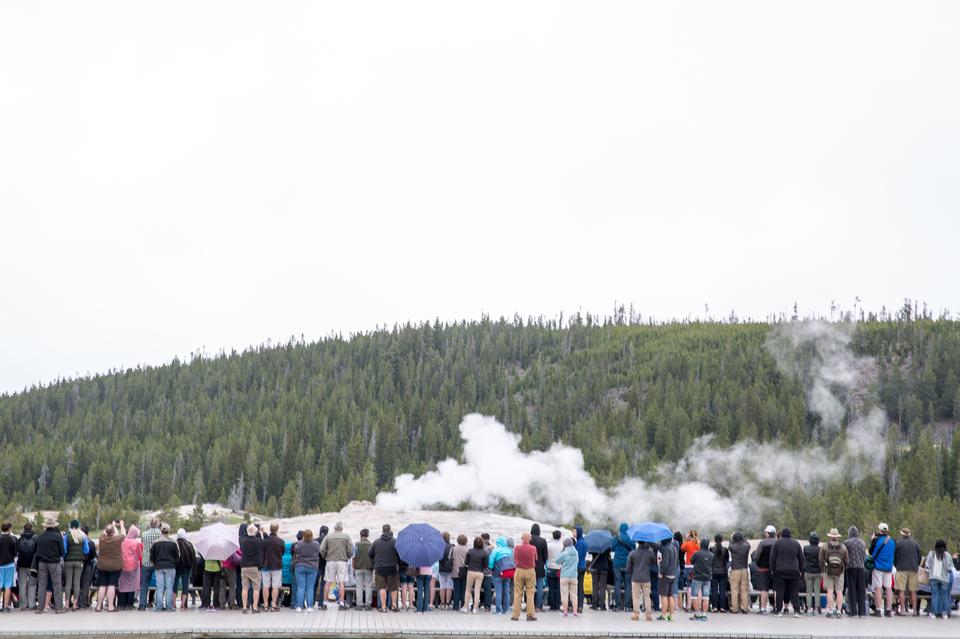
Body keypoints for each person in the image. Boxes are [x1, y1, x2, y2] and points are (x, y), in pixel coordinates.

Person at [769, 527, 803, 617]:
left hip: (779, 571)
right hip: (794, 571)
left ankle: (779, 611)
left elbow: (772, 558)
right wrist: (801, 569)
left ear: (782, 534)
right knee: (794, 592)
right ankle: (797, 611)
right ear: (790, 534)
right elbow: (801, 558)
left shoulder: (777, 543)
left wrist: (772, 569)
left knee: (779, 591)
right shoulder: (796, 543)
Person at [35, 515, 65, 614]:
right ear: (54, 526)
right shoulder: (58, 537)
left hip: (42, 563)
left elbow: (37, 551)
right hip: (54, 563)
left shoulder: (40, 537)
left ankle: (40, 608)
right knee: (57, 585)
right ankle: (59, 608)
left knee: (42, 585)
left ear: (45, 526)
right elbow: (62, 552)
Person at [319, 521, 352, 609]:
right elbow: (350, 550)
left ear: (334, 528)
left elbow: (322, 549)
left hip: (330, 561)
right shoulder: (346, 537)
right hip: (342, 561)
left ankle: (324, 603)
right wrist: (348, 556)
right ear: (342, 528)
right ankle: (341, 603)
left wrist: (325, 556)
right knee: (341, 582)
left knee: (328, 581)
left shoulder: (328, 537)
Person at [369, 524, 400, 612]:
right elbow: (399, 555)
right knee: (393, 587)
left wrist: (375, 562)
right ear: (390, 531)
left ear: (382, 531)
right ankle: (394, 605)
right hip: (392, 567)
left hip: (379, 567)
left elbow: (370, 553)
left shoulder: (376, 542)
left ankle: (383, 607)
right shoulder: (395, 542)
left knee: (382, 587)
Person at [150, 523, 180, 611]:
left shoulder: (155, 542)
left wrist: (155, 563)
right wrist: (174, 563)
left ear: (161, 531)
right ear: (168, 531)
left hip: (159, 566)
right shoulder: (173, 542)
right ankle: (169, 606)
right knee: (169, 587)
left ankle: (159, 606)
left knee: (159, 587)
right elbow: (177, 556)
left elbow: (152, 556)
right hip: (170, 566)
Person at [867, 522, 895, 617]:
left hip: (878, 566)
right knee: (888, 588)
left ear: (879, 530)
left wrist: (872, 540)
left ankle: (878, 610)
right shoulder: (892, 541)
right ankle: (888, 610)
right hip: (889, 568)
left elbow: (871, 552)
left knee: (878, 588)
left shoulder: (877, 540)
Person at [819, 528, 847, 617]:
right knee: (839, 591)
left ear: (830, 536)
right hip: (840, 572)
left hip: (828, 571)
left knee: (830, 591)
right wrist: (842, 568)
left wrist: (822, 570)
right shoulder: (843, 547)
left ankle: (830, 611)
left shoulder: (825, 546)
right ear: (837, 537)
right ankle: (838, 611)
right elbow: (847, 560)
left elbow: (821, 559)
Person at [96, 522, 124, 612]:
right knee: (111, 585)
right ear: (113, 532)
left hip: (102, 566)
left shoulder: (101, 538)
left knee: (102, 585)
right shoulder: (117, 539)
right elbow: (124, 533)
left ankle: (98, 606)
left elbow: (105, 532)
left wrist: (111, 525)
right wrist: (122, 525)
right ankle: (110, 606)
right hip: (115, 566)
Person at [61, 519, 88, 611]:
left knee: (68, 583)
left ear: (71, 526)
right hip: (79, 561)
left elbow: (64, 550)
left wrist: (66, 556)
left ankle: (67, 604)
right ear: (78, 526)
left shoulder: (66, 536)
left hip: (68, 561)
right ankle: (75, 604)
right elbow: (86, 550)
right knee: (77, 583)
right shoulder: (83, 537)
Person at [893, 527, 921, 616]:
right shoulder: (915, 544)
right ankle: (915, 611)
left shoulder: (898, 543)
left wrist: (896, 565)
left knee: (901, 590)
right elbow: (919, 558)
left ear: (902, 534)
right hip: (913, 568)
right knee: (913, 591)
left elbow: (894, 557)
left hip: (901, 568)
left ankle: (902, 610)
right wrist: (916, 565)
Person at [510, 531, 537, 621]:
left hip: (519, 570)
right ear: (530, 539)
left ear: (522, 539)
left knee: (518, 593)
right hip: (530, 571)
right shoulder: (533, 548)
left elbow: (514, 558)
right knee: (530, 593)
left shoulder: (517, 548)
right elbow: (535, 558)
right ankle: (530, 614)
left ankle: (515, 615)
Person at [625, 540, 655, 621]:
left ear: (638, 543)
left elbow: (628, 568)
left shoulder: (632, 553)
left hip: (635, 578)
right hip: (646, 578)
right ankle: (648, 615)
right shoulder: (650, 553)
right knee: (647, 597)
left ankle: (636, 614)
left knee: (636, 597)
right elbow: (654, 563)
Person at [292, 529, 320, 612]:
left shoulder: (298, 544)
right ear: (312, 535)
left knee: (300, 587)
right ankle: (310, 607)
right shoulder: (316, 544)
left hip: (300, 566)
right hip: (312, 566)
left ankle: (299, 606)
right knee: (310, 587)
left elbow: (295, 552)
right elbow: (319, 552)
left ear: (303, 535)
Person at [923, 539, 953, 618]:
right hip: (944, 578)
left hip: (933, 577)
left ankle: (933, 613)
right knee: (944, 596)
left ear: (935, 547)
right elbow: (950, 568)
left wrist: (930, 571)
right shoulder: (947, 555)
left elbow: (927, 566)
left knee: (935, 595)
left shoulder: (931, 554)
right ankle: (945, 613)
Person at [843, 525, 867, 618]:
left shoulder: (846, 543)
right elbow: (864, 556)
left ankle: (853, 612)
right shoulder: (862, 543)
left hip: (851, 568)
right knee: (861, 591)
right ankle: (862, 612)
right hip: (861, 568)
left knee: (852, 590)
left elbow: (844, 555)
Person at [752, 525, 777, 614]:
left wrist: (758, 565)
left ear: (767, 534)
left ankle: (763, 609)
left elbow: (756, 557)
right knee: (776, 589)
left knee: (764, 589)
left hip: (764, 569)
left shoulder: (763, 543)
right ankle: (777, 608)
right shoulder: (778, 542)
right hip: (776, 569)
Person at [239, 524, 264, 613]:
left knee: (244, 588)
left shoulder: (243, 541)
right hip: (255, 566)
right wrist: (260, 532)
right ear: (255, 532)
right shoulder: (258, 541)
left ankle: (245, 608)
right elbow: (262, 541)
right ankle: (254, 607)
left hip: (245, 566)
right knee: (256, 588)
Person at [138, 516, 161, 610]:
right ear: (157, 524)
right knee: (160, 584)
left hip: (146, 561)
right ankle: (158, 604)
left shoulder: (144, 534)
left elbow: (143, 544)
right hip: (157, 562)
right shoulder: (160, 534)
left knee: (144, 584)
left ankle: (142, 605)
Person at [260, 523, 284, 611]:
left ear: (270, 529)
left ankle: (266, 604)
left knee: (265, 586)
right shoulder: (280, 541)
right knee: (275, 586)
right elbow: (283, 552)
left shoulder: (264, 541)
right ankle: (273, 604)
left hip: (265, 565)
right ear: (277, 530)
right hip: (276, 566)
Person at [488, 536, 515, 615]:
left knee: (499, 591)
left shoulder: (495, 550)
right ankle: (506, 609)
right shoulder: (509, 551)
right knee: (506, 591)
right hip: (508, 573)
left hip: (498, 574)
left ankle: (498, 610)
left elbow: (491, 562)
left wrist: (491, 568)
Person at [689, 538, 713, 621]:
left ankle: (697, 613)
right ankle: (704, 615)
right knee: (706, 597)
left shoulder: (697, 553)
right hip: (707, 578)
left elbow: (691, 561)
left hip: (697, 577)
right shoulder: (711, 555)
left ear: (701, 544)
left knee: (694, 595)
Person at [462, 536, 488, 614]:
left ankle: (465, 607)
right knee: (477, 591)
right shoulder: (484, 553)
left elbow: (466, 563)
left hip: (471, 571)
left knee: (468, 590)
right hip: (480, 572)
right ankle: (475, 609)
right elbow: (485, 565)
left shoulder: (470, 551)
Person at [16, 524, 38, 611]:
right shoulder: (36, 538)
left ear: (24, 529)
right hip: (32, 565)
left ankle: (23, 605)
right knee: (32, 584)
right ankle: (31, 604)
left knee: (22, 584)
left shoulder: (20, 539)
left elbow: (17, 552)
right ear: (31, 529)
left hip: (21, 564)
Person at [611, 523, 632, 611]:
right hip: (627, 563)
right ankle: (627, 606)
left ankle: (618, 606)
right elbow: (634, 548)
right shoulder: (630, 538)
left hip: (617, 563)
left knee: (617, 584)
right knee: (628, 584)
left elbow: (612, 548)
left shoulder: (616, 538)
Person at [727, 532, 750, 614]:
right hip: (744, 569)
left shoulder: (732, 547)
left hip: (735, 569)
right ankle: (744, 608)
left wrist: (732, 538)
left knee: (734, 590)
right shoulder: (747, 547)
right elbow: (747, 543)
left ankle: (734, 608)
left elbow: (730, 544)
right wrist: (743, 538)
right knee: (744, 590)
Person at [175, 529, 197, 610]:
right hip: (186, 569)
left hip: (176, 568)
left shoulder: (175, 544)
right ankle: (183, 605)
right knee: (185, 587)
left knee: (174, 586)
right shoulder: (189, 545)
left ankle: (173, 604)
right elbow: (193, 559)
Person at [557, 537, 579, 617]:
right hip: (573, 576)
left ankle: (565, 612)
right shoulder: (576, 552)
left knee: (564, 594)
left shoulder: (565, 553)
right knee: (574, 595)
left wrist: (561, 552)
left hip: (565, 576)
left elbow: (557, 561)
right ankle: (575, 612)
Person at [657, 537, 678, 621]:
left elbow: (665, 563)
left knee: (664, 596)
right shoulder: (674, 548)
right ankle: (671, 616)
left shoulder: (666, 548)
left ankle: (663, 615)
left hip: (666, 575)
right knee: (670, 596)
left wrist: (661, 572)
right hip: (673, 574)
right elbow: (677, 562)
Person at [353, 529, 374, 611]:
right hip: (368, 567)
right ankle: (368, 605)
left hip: (358, 567)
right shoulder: (371, 545)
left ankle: (359, 604)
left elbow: (354, 557)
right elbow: (373, 557)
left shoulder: (357, 544)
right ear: (368, 535)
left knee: (359, 586)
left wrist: (354, 567)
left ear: (360, 535)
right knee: (369, 586)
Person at [529, 524, 548, 613]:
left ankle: (530, 605)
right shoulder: (543, 541)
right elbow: (545, 556)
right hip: (540, 566)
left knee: (530, 587)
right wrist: (542, 563)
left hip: (530, 566)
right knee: (540, 587)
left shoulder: (529, 539)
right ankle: (538, 606)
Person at [680, 530, 700, 612]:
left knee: (689, 586)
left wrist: (686, 539)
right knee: (697, 586)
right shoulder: (698, 544)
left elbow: (682, 548)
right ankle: (697, 606)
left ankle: (688, 606)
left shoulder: (688, 544)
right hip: (697, 567)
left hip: (689, 566)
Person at [802, 532, 821, 615]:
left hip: (808, 571)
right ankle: (816, 608)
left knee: (808, 590)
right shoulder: (820, 549)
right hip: (817, 571)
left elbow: (804, 559)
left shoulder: (806, 548)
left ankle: (809, 608)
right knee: (817, 590)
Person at [710, 534, 729, 613]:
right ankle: (722, 607)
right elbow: (727, 561)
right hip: (723, 572)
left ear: (714, 540)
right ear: (722, 540)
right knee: (722, 590)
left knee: (714, 590)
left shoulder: (711, 549)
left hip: (713, 571)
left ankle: (714, 607)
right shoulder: (725, 549)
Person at [79, 525, 97, 609]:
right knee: (85, 585)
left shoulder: (78, 541)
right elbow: (93, 554)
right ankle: (83, 602)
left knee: (77, 584)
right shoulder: (90, 542)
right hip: (88, 565)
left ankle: (77, 602)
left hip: (79, 563)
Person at [0, 523, 16, 613]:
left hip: (0, 565)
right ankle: (5, 606)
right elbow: (15, 553)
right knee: (7, 585)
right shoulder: (12, 539)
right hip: (9, 564)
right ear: (9, 529)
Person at [450, 534, 469, 611]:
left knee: (456, 588)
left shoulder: (454, 549)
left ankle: (456, 605)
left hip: (455, 571)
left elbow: (450, 558)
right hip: (465, 571)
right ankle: (463, 604)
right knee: (464, 588)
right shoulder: (468, 549)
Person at [545, 530, 562, 611]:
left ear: (553, 536)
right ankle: (557, 605)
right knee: (558, 587)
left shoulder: (549, 545)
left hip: (551, 567)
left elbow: (546, 556)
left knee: (551, 587)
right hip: (559, 569)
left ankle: (552, 605)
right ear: (560, 536)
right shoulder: (562, 545)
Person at [436, 531, 454, 610]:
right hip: (450, 569)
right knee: (449, 586)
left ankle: (442, 603)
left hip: (441, 568)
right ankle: (447, 603)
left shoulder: (439, 546)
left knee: (442, 586)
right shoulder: (452, 547)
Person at [574, 527, 588, 612]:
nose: (574, 533)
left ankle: (575, 605)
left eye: (575, 532)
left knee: (575, 587)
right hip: (583, 565)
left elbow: (577, 556)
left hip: (578, 566)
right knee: (581, 587)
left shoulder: (579, 543)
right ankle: (580, 606)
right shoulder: (585, 542)